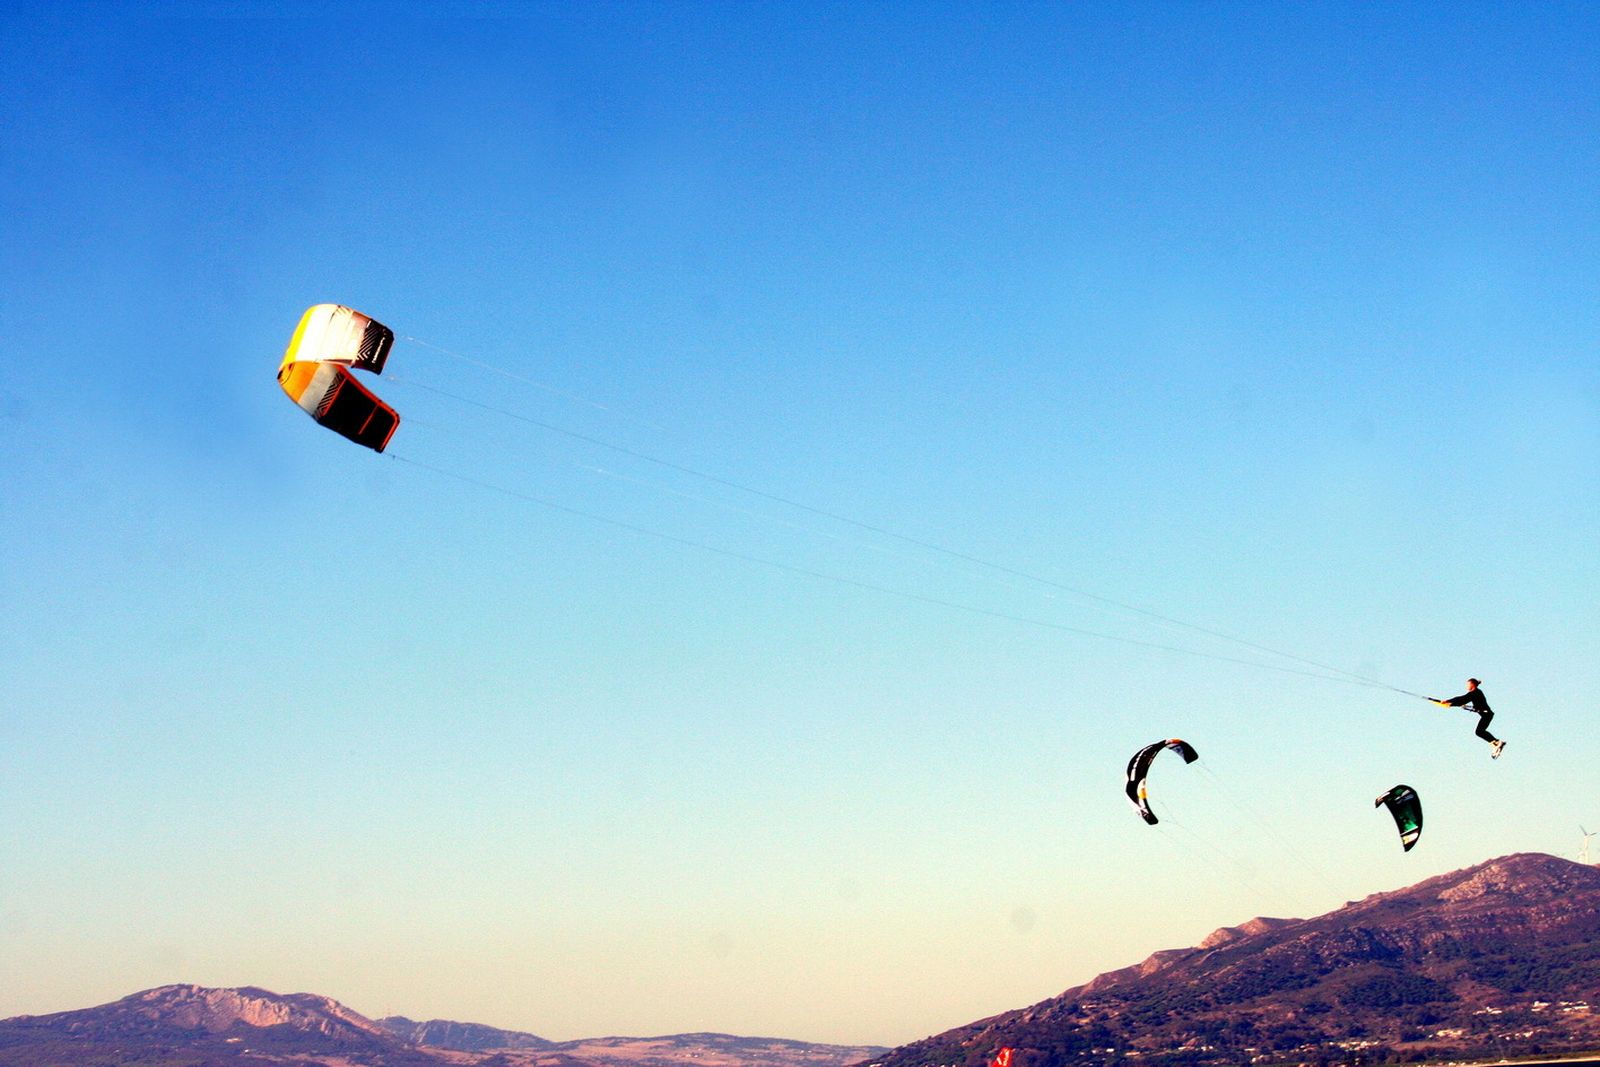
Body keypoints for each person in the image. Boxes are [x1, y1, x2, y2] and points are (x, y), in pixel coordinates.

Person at [1433, 679, 1504, 758]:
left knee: (1479, 731)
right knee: (1480, 731)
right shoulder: (1475, 693)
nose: (1466, 686)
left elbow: (1462, 699)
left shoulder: (1475, 693)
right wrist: (1450, 704)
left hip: (1487, 714)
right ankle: (1496, 743)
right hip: (1486, 715)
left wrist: (1448, 701)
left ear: (1472, 685)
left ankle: (1497, 742)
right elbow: (1462, 701)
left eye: (1468, 685)